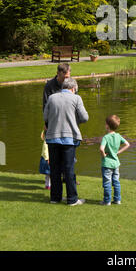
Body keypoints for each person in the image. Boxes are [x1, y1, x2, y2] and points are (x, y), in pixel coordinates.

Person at [44, 77, 89, 206]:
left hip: (52, 138)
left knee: (55, 169)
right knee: (69, 169)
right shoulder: (76, 98)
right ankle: (72, 199)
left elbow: (45, 116)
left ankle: (55, 198)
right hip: (69, 139)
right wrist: (74, 120)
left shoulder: (52, 97)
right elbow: (85, 117)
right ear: (73, 88)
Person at [99, 115, 130, 206]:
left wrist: (104, 155)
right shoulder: (118, 136)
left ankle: (107, 201)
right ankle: (117, 200)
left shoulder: (106, 137)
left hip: (107, 164)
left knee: (107, 182)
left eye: (105, 123)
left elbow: (101, 149)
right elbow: (127, 144)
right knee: (116, 182)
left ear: (107, 126)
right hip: (116, 163)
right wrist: (118, 152)